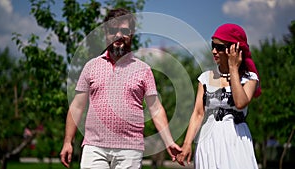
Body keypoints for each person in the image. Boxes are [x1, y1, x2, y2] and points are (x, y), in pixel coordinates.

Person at [59, 8, 181, 169]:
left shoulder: (143, 70)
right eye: (113, 30)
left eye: (124, 31)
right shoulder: (91, 66)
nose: (118, 36)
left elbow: (156, 108)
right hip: (95, 148)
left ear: (131, 34)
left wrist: (169, 141)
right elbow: (77, 106)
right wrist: (68, 141)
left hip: (130, 150)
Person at [176, 23, 261, 169]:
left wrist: (233, 68)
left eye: (220, 47)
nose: (214, 51)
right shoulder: (205, 78)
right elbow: (198, 114)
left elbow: (240, 103)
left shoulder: (249, 78)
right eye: (212, 45)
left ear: (234, 49)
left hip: (236, 139)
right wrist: (187, 143)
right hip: (208, 141)